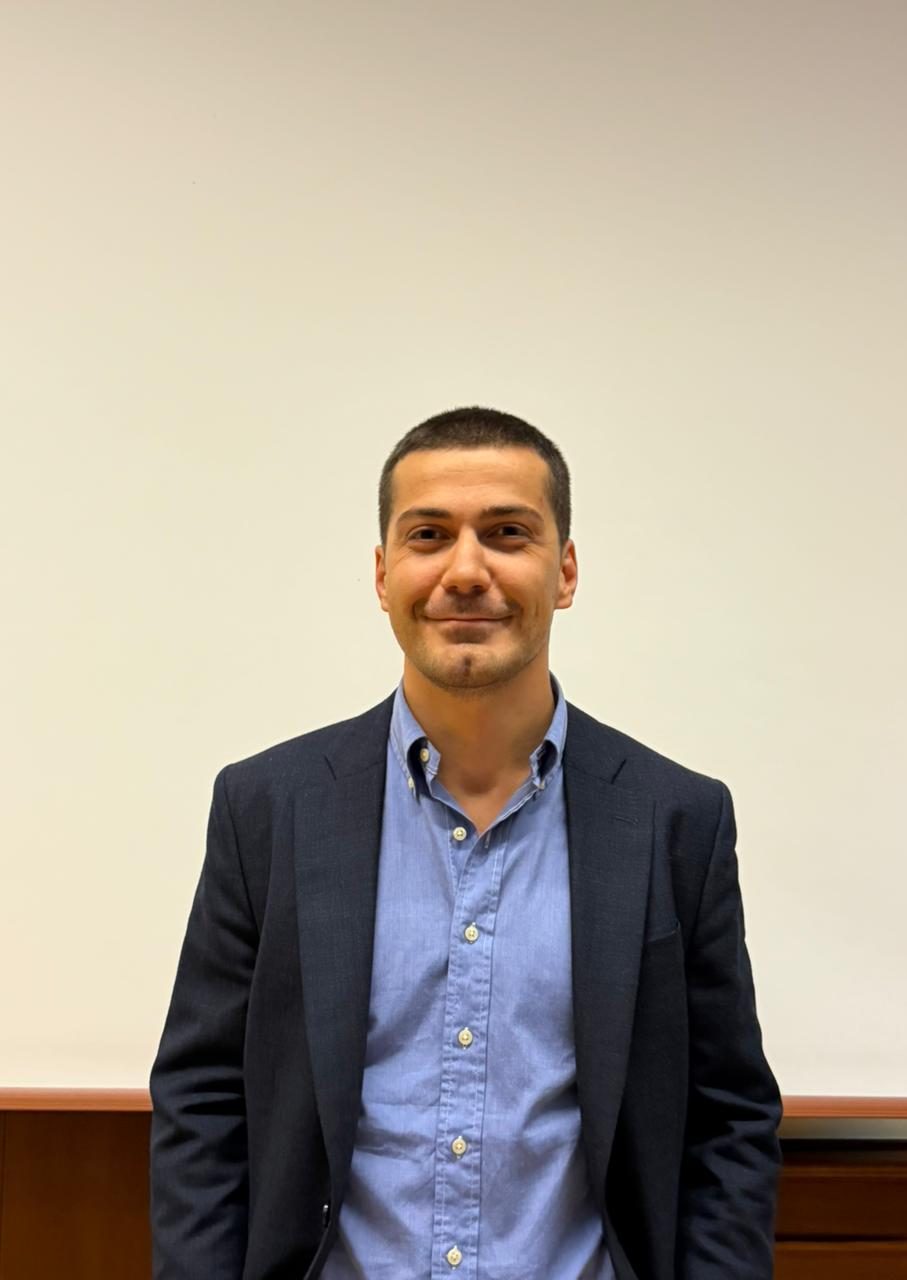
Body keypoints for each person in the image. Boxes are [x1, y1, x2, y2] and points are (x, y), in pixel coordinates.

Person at [150, 406, 782, 1280]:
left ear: (565, 571)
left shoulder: (676, 819)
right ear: (383, 575)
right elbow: (203, 1100)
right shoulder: (267, 808)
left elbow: (728, 1119)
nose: (466, 570)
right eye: (429, 535)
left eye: (508, 533)